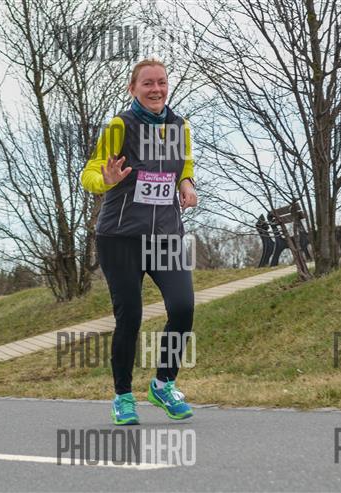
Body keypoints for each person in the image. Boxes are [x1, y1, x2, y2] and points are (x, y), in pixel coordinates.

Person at [80, 59, 198, 425]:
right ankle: (123, 396)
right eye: (147, 83)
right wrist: (106, 179)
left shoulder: (179, 126)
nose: (156, 89)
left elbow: (184, 164)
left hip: (166, 235)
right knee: (129, 316)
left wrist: (186, 183)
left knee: (183, 307)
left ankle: (163, 384)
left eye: (161, 82)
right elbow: (89, 173)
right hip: (121, 237)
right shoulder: (120, 126)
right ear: (133, 88)